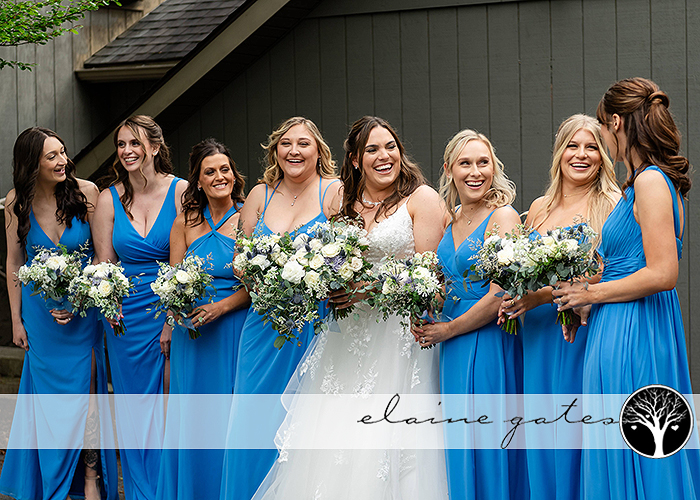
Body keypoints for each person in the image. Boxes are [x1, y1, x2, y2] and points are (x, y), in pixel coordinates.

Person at [250, 115, 448, 499]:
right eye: (372, 149)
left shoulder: (421, 199)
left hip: (398, 339)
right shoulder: (342, 203)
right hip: (346, 337)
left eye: (390, 147)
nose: (384, 156)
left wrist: (369, 289)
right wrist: (324, 283)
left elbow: (430, 280)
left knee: (388, 443)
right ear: (356, 160)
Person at [553, 78, 700, 499]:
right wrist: (582, 301)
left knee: (638, 437)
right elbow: (627, 264)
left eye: (602, 127)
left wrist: (590, 294)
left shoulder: (651, 181)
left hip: (633, 329)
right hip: (622, 321)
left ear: (616, 122)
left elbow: (663, 272)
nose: (603, 137)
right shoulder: (640, 182)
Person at [220, 116, 342, 500]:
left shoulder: (334, 191)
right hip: (262, 325)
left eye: (303, 143)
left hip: (312, 325)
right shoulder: (260, 195)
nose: (294, 151)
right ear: (275, 151)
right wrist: (257, 275)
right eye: (286, 144)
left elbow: (346, 256)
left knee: (300, 423)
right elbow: (240, 260)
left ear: (319, 151)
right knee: (250, 420)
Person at [498, 114, 620, 499]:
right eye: (573, 146)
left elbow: (610, 274)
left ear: (603, 156)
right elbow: (526, 268)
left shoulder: (612, 204)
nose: (581, 155)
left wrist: (540, 296)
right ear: (559, 152)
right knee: (542, 434)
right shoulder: (539, 207)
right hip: (536, 334)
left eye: (591, 147)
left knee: (575, 430)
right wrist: (517, 293)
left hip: (579, 333)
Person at [0, 127, 117, 500]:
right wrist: (16, 320)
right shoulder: (16, 201)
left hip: (83, 316)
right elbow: (14, 262)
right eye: (51, 156)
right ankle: (53, 483)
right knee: (48, 405)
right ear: (31, 164)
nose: (62, 160)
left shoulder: (87, 193)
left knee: (88, 394)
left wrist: (81, 298)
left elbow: (102, 256)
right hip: (41, 319)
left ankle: (90, 478)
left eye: (63, 152)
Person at [412, 129, 527, 500]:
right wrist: (420, 303)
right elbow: (444, 283)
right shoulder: (452, 219)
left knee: (489, 437)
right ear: (449, 169)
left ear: (494, 168)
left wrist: (448, 330)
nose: (475, 172)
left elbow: (500, 294)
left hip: (488, 337)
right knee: (460, 438)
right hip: (452, 344)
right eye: (465, 163)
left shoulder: (503, 217)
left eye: (483, 163)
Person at [92, 115, 187, 500]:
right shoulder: (108, 198)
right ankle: (140, 492)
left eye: (135, 143)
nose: (127, 151)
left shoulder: (180, 191)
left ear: (155, 147)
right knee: (133, 411)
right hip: (125, 321)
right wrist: (107, 304)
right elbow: (104, 263)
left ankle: (171, 489)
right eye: (121, 144)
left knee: (169, 405)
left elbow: (187, 262)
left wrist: (173, 318)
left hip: (170, 311)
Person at [156, 139, 249, 499]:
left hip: (232, 329)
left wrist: (221, 307)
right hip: (192, 335)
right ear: (198, 180)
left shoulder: (248, 218)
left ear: (234, 175)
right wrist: (173, 317)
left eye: (225, 169)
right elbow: (173, 281)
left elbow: (256, 286)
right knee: (193, 418)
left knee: (227, 416)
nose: (219, 176)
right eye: (210, 171)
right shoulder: (184, 222)